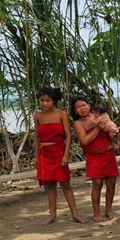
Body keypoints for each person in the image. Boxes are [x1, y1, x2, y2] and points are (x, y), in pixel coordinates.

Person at [34, 86, 86, 225]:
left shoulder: (61, 114)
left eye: (48, 100)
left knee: (65, 184)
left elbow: (68, 136)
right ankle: (52, 215)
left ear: (54, 101)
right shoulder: (37, 116)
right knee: (50, 186)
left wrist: (65, 155)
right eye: (42, 100)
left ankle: (75, 214)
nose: (45, 103)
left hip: (58, 152)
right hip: (44, 153)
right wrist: (36, 157)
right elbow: (37, 138)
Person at [72, 97, 119, 222]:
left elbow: (110, 129)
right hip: (94, 156)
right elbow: (85, 140)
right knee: (97, 184)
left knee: (111, 183)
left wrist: (113, 136)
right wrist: (97, 128)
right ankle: (96, 212)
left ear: (89, 105)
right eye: (78, 107)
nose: (82, 108)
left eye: (84, 105)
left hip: (108, 154)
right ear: (75, 111)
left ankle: (108, 209)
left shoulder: (99, 115)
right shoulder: (78, 123)